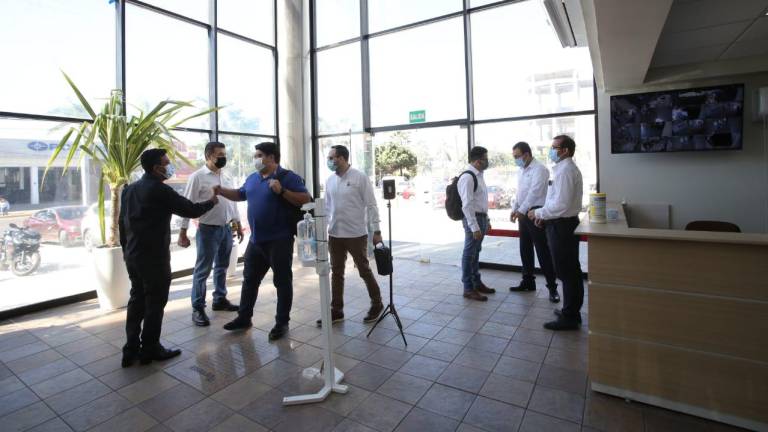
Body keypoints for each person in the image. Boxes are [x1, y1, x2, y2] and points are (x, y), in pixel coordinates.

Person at [120, 149, 218, 367]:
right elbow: (191, 210)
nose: (169, 166)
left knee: (136, 300)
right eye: (166, 163)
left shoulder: (129, 190)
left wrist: (125, 250)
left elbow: (121, 223)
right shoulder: (160, 190)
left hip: (133, 255)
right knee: (155, 303)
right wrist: (212, 201)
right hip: (154, 257)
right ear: (156, 168)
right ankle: (151, 348)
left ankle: (130, 349)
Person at [214, 142, 311, 341]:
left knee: (282, 282)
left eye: (259, 155)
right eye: (255, 155)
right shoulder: (252, 178)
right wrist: (221, 190)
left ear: (271, 157)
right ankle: (244, 317)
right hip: (256, 241)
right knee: (249, 281)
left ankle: (281, 322)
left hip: (279, 241)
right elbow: (241, 194)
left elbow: (305, 198)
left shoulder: (287, 177)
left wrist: (282, 191)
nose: (255, 159)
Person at [178, 142, 244, 327]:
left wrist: (237, 223)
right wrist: (183, 231)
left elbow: (233, 202)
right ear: (208, 156)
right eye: (219, 154)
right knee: (202, 270)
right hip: (207, 229)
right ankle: (197, 307)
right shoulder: (197, 177)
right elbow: (187, 204)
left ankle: (219, 299)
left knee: (222, 266)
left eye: (224, 153)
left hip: (226, 228)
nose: (223, 157)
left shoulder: (227, 175)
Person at [317, 145, 383, 326]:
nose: (329, 161)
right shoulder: (330, 180)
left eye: (332, 158)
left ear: (342, 158)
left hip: (356, 234)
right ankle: (336, 310)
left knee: (363, 269)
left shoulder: (359, 177)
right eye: (329, 158)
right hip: (335, 234)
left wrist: (376, 231)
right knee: (336, 272)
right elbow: (328, 207)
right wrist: (323, 227)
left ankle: (377, 303)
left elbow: (371, 205)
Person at [528, 135, 584, 330]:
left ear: (566, 150)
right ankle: (570, 310)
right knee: (567, 271)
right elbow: (555, 200)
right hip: (557, 223)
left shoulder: (566, 170)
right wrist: (543, 216)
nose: (551, 151)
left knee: (568, 272)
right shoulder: (562, 169)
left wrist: (537, 212)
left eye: (554, 147)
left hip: (563, 225)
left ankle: (570, 316)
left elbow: (561, 204)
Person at [509, 141, 559, 303]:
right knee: (525, 249)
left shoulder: (540, 170)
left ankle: (552, 288)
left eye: (517, 156)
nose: (516, 159)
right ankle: (528, 281)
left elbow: (534, 193)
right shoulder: (521, 171)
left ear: (526, 154)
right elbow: (520, 193)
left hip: (536, 213)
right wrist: (515, 208)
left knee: (542, 251)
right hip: (523, 214)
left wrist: (521, 211)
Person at [459, 146, 496, 301]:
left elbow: (480, 201)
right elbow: (467, 205)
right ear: (477, 160)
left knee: (475, 253)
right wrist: (474, 227)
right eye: (485, 158)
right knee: (469, 254)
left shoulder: (479, 175)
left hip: (480, 218)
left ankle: (476, 282)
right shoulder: (468, 177)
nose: (487, 161)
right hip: (472, 220)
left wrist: (486, 220)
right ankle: (468, 288)